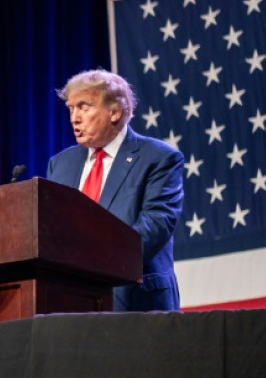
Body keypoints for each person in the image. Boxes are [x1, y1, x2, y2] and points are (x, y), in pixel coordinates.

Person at [46, 69, 183, 312]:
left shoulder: (158, 158)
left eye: (84, 107)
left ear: (115, 112)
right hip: (73, 303)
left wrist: (92, 263)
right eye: (71, 109)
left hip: (136, 302)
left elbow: (155, 225)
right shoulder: (60, 165)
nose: (74, 118)